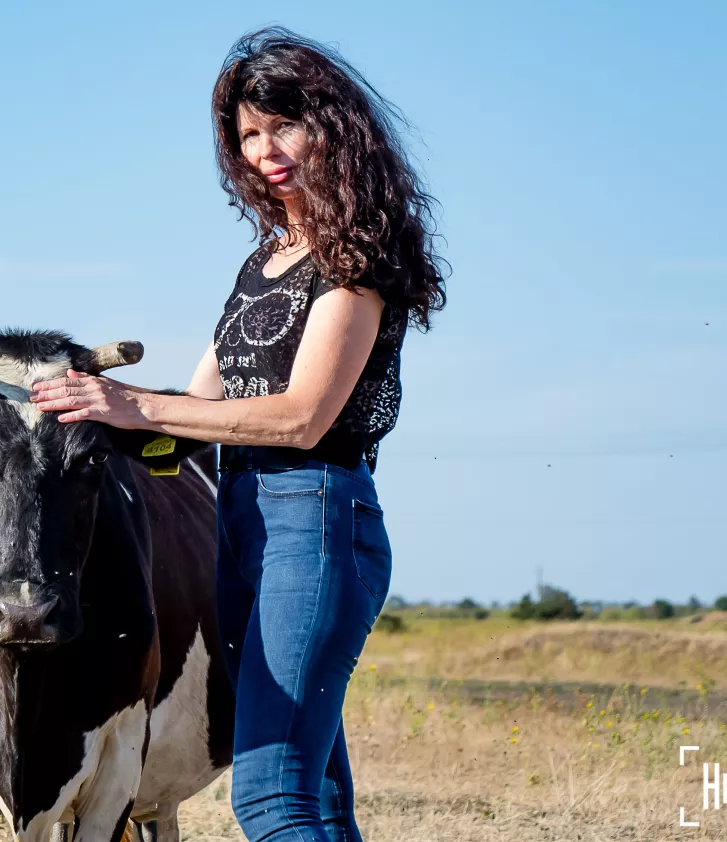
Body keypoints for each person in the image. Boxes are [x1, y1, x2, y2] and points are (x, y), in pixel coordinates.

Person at [32, 26, 446, 842]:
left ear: (333, 126)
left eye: (283, 125)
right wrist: (78, 406)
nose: (265, 151)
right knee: (317, 792)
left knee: (269, 795)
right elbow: (195, 405)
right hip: (244, 518)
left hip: (319, 517)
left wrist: (136, 409)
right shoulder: (264, 262)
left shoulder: (352, 259)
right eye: (247, 136)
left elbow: (300, 416)